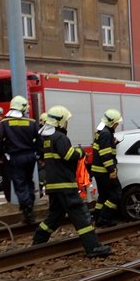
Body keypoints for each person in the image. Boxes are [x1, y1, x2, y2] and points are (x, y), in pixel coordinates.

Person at [32, 106, 111, 258]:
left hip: (54, 186)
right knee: (81, 214)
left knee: (54, 216)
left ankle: (37, 242)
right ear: (60, 122)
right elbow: (69, 156)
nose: (67, 124)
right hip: (65, 185)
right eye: (66, 121)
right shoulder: (60, 138)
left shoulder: (47, 139)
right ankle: (92, 247)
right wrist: (80, 152)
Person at [0, 96, 42, 224]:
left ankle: (27, 210)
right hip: (30, 156)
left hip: (15, 157)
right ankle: (30, 205)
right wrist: (40, 155)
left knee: (20, 184)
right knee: (29, 181)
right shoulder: (31, 122)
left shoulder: (5, 123)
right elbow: (40, 140)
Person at [91, 109, 123, 227]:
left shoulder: (101, 132)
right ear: (111, 123)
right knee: (116, 194)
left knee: (103, 195)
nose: (117, 125)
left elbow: (103, 149)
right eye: (116, 123)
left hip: (98, 171)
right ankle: (104, 218)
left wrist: (113, 143)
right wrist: (111, 170)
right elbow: (105, 154)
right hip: (104, 171)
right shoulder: (106, 134)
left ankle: (98, 217)